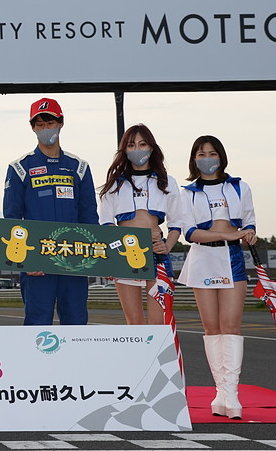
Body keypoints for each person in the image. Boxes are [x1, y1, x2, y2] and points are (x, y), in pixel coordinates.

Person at [177, 134, 257, 420]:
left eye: (212, 153)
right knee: (211, 328)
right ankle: (220, 392)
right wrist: (229, 234)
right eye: (201, 154)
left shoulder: (240, 187)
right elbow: (189, 233)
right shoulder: (187, 193)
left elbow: (249, 221)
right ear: (194, 159)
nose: (207, 158)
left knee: (230, 326)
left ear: (221, 156)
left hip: (232, 258)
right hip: (202, 260)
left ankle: (231, 393)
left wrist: (248, 232)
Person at [3, 98, 98, 326]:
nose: (45, 129)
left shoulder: (79, 167)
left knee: (76, 322)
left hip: (74, 259)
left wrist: (92, 259)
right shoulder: (19, 168)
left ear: (61, 123)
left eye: (50, 123)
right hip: (37, 262)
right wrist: (26, 261)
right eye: (40, 125)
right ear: (33, 128)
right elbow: (12, 218)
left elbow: (89, 217)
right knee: (37, 323)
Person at [98, 124, 182, 325]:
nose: (137, 149)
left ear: (152, 147)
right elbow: (106, 223)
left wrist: (167, 246)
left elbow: (177, 222)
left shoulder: (166, 181)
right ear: (124, 150)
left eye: (142, 144)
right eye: (131, 145)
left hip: (156, 253)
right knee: (134, 323)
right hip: (125, 254)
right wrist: (110, 258)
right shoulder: (115, 183)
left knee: (158, 323)